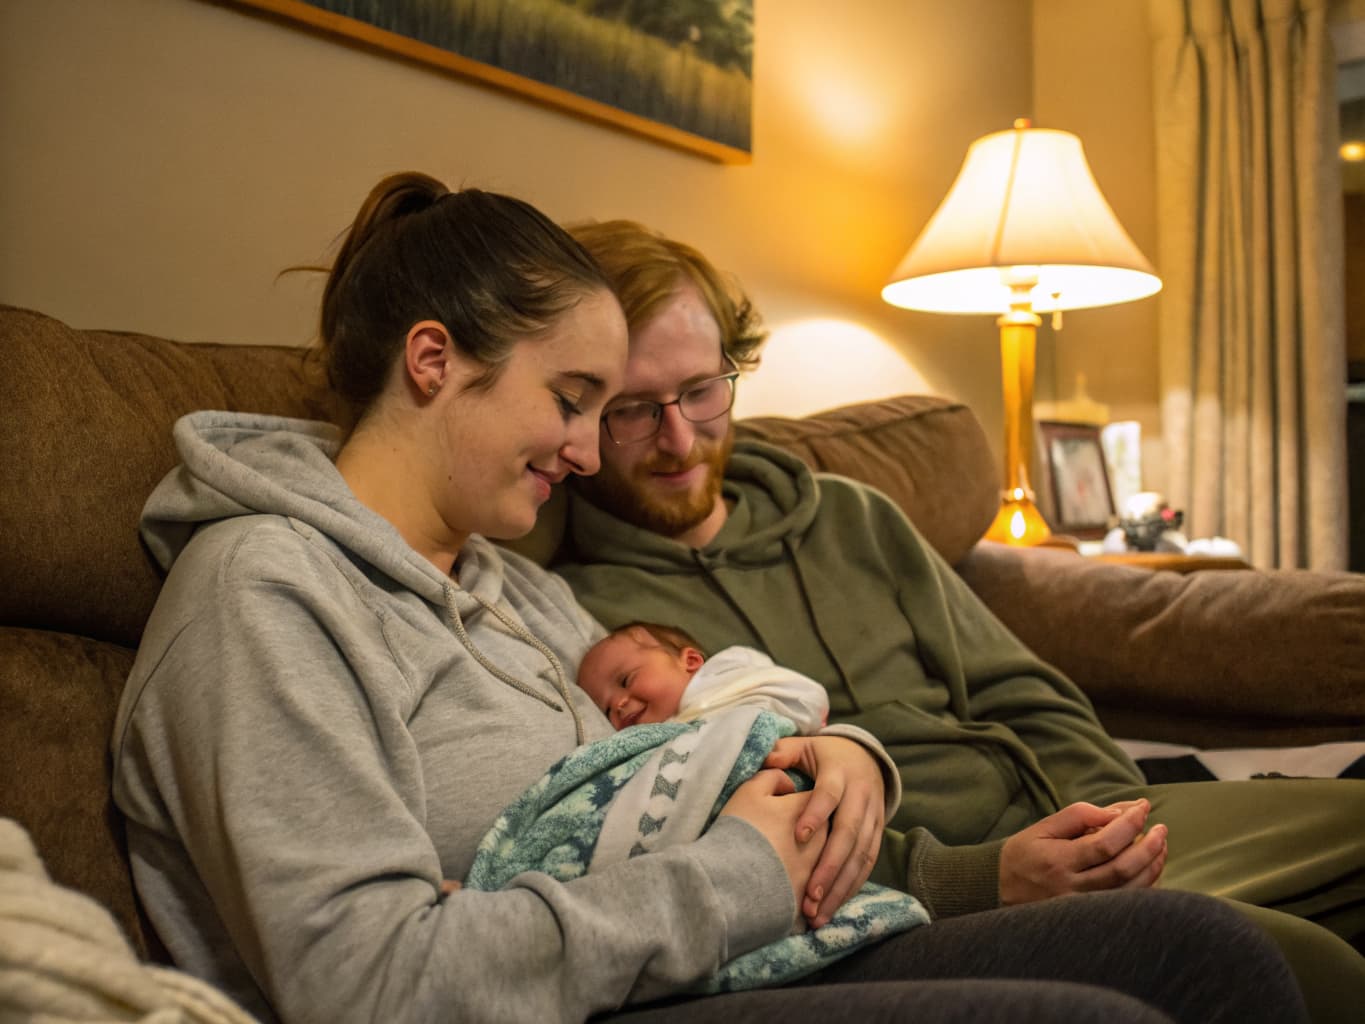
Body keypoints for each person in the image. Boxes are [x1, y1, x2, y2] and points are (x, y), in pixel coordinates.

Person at [108, 173, 1307, 1024]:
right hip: (612, 988)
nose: (590, 453)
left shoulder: (514, 588)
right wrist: (745, 869)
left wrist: (842, 758)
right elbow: (370, 983)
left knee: (1199, 951)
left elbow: (699, 733)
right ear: (435, 363)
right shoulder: (260, 597)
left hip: (707, 953)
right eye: (575, 398)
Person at [554, 218, 1365, 1022]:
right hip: (950, 895)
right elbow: (724, 834)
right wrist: (984, 878)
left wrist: (1110, 820)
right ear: (581, 409)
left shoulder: (848, 515)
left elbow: (1020, 689)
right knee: (1301, 965)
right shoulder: (595, 625)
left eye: (701, 391)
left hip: (1086, 823)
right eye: (632, 410)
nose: (678, 438)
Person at [578, 620, 828, 732]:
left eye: (625, 681)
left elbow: (806, 698)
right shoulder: (654, 742)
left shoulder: (731, 674)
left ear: (691, 661)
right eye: (606, 710)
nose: (618, 705)